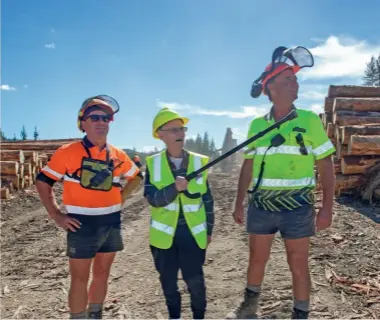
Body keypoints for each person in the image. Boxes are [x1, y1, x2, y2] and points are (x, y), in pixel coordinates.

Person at [227, 55, 336, 319]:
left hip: (297, 207)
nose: (295, 85)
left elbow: (326, 164)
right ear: (270, 87)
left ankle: (300, 314)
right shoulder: (257, 125)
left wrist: (326, 208)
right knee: (256, 259)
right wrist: (239, 201)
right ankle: (249, 308)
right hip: (261, 205)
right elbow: (248, 166)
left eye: (296, 80)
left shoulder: (309, 120)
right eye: (288, 80)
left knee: (298, 263)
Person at [35, 95, 143, 319]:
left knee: (103, 273)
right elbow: (43, 181)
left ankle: (96, 314)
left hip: (111, 222)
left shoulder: (117, 154)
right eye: (94, 117)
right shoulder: (68, 152)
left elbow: (136, 177)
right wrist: (56, 215)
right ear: (83, 123)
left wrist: (120, 198)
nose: (101, 121)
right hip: (81, 223)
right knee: (80, 277)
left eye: (106, 117)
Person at [144, 107, 215, 320]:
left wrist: (209, 230)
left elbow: (208, 200)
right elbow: (153, 199)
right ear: (160, 135)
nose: (180, 134)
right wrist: (174, 188)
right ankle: (174, 316)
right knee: (168, 283)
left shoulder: (199, 162)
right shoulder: (153, 164)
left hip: (191, 234)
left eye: (182, 129)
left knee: (195, 281)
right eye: (174, 130)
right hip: (163, 237)